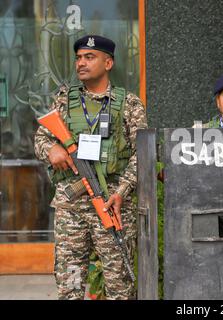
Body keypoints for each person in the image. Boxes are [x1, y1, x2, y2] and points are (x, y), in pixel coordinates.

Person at [34, 35, 147, 300]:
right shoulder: (64, 101)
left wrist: (121, 192)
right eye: (78, 58)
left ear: (108, 63)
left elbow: (142, 155)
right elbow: (41, 138)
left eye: (89, 57)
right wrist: (52, 149)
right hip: (71, 210)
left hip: (112, 206)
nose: (81, 63)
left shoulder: (129, 105)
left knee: (120, 287)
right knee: (69, 283)